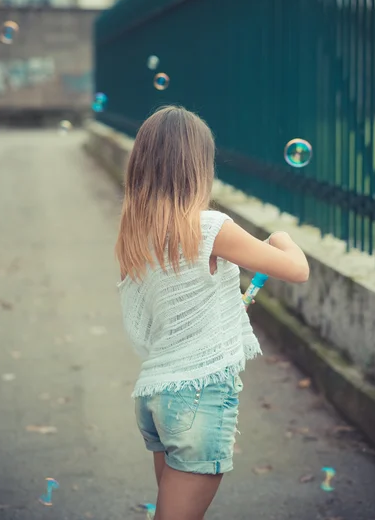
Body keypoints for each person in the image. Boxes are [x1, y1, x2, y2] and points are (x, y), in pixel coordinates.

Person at [115, 105, 310, 520]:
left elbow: (168, 308)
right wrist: (281, 237)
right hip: (196, 398)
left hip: (156, 396)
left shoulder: (137, 231)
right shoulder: (209, 227)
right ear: (197, 167)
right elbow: (297, 270)